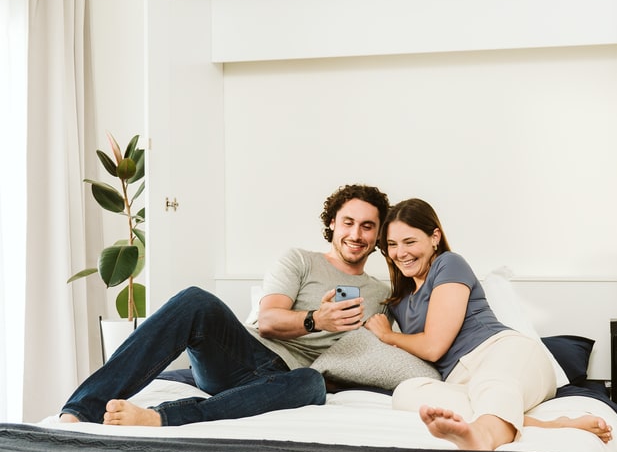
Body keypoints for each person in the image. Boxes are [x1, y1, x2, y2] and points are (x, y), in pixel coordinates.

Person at [59, 183, 391, 428]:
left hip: (286, 381)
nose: (356, 234)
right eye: (348, 222)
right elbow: (268, 321)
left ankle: (161, 418)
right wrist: (316, 319)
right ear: (332, 223)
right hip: (244, 356)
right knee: (195, 300)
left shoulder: (381, 294)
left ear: (377, 236)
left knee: (311, 383)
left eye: (367, 226)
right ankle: (80, 410)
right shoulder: (300, 261)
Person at [364, 197, 612, 452]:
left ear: (434, 237)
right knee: (407, 393)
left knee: (493, 382)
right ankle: (551, 425)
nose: (400, 253)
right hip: (460, 380)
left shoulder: (449, 264)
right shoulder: (399, 300)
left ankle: (482, 438)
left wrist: (388, 335)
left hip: (503, 353)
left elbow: (434, 346)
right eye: (392, 245)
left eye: (409, 241)